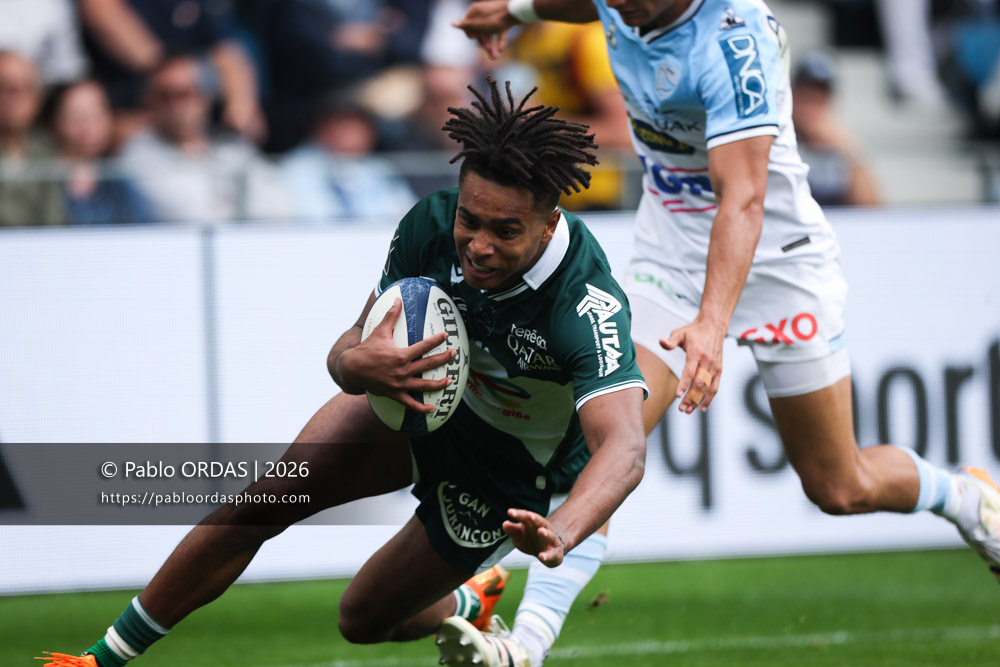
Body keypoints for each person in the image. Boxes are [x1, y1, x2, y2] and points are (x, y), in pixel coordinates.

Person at [451, 1, 1000, 665]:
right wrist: (508, 11)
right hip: (670, 256)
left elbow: (741, 197)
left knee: (839, 485)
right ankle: (526, 644)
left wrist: (711, 325)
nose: (618, 3)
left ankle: (964, 497)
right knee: (599, 434)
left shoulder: (734, 42)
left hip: (775, 259)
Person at [37, 75, 647, 667]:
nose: (478, 246)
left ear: (548, 225)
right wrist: (359, 363)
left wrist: (561, 533)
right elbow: (347, 352)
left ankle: (468, 596)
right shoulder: (431, 226)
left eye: (505, 231)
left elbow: (623, 446)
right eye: (471, 220)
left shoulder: (584, 305)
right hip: (413, 407)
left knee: (362, 620)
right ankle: (97, 660)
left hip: (505, 472)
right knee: (263, 502)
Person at [117, 54, 289, 223]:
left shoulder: (232, 147)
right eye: (164, 96)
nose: (176, 106)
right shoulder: (138, 154)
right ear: (149, 101)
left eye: (185, 94)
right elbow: (193, 215)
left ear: (206, 97)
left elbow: (280, 209)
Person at [279, 91, 417, 222]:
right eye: (342, 123)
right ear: (320, 127)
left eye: (360, 124)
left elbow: (407, 216)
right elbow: (314, 220)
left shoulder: (379, 168)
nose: (353, 132)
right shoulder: (298, 167)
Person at [44, 79, 154, 224]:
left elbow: (143, 226)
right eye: (77, 118)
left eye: (96, 116)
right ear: (54, 122)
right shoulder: (41, 177)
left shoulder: (117, 178)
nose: (88, 128)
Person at [790, 51, 881, 207]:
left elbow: (871, 207)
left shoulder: (842, 141)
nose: (812, 104)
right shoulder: (780, 139)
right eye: (807, 95)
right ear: (793, 93)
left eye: (820, 95)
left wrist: (850, 153)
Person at [0, 50, 67, 227]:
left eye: (25, 88)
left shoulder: (46, 148)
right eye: (6, 88)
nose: (16, 99)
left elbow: (55, 219)